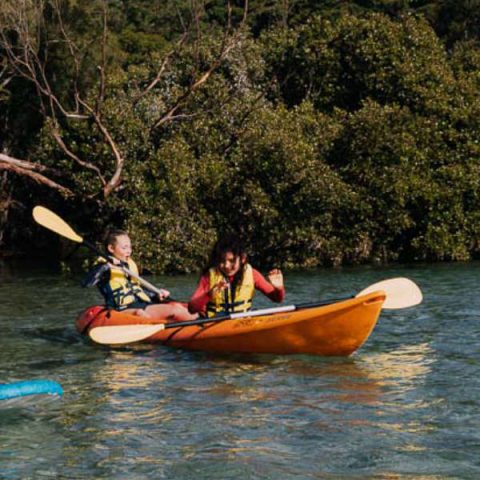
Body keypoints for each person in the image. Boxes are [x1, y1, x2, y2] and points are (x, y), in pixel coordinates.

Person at [82, 229, 197, 322]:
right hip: (124, 309)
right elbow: (86, 283)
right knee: (170, 310)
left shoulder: (129, 264)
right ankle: (199, 326)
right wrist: (107, 266)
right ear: (111, 248)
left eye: (130, 247)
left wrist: (156, 294)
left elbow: (137, 288)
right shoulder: (103, 267)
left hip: (142, 303)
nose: (129, 251)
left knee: (178, 306)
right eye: (124, 248)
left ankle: (203, 322)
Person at [188, 235, 285, 317]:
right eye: (222, 261)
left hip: (242, 321)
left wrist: (279, 289)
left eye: (232, 261)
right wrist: (209, 295)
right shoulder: (209, 276)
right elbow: (192, 309)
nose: (226, 265)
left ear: (242, 258)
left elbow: (277, 299)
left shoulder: (252, 274)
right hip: (214, 323)